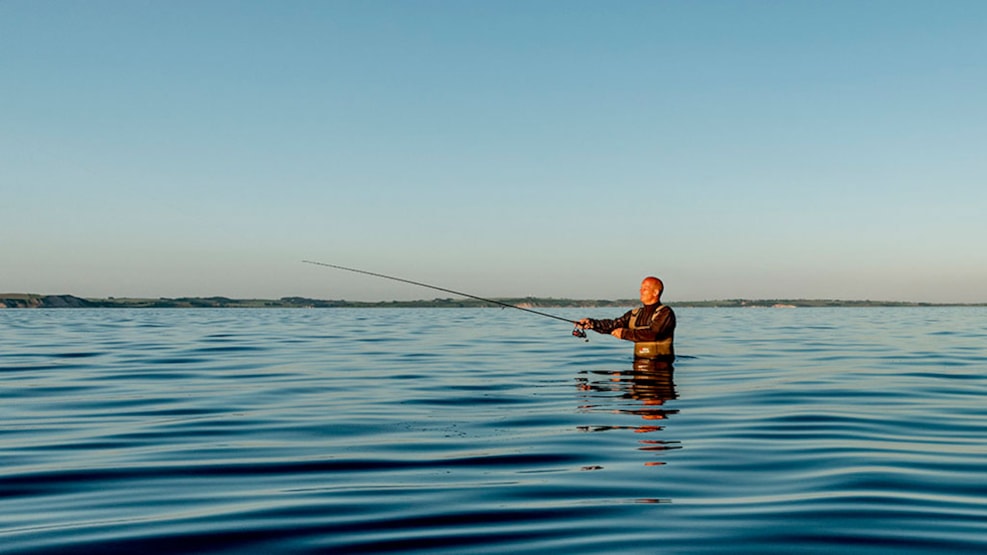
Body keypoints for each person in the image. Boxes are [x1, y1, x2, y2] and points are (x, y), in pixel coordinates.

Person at [577, 276, 676, 361]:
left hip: (662, 368)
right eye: (640, 288)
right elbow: (613, 325)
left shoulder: (665, 313)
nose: (640, 291)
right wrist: (592, 324)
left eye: (644, 289)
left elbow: (654, 333)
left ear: (655, 292)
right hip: (638, 366)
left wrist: (624, 334)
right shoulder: (634, 314)